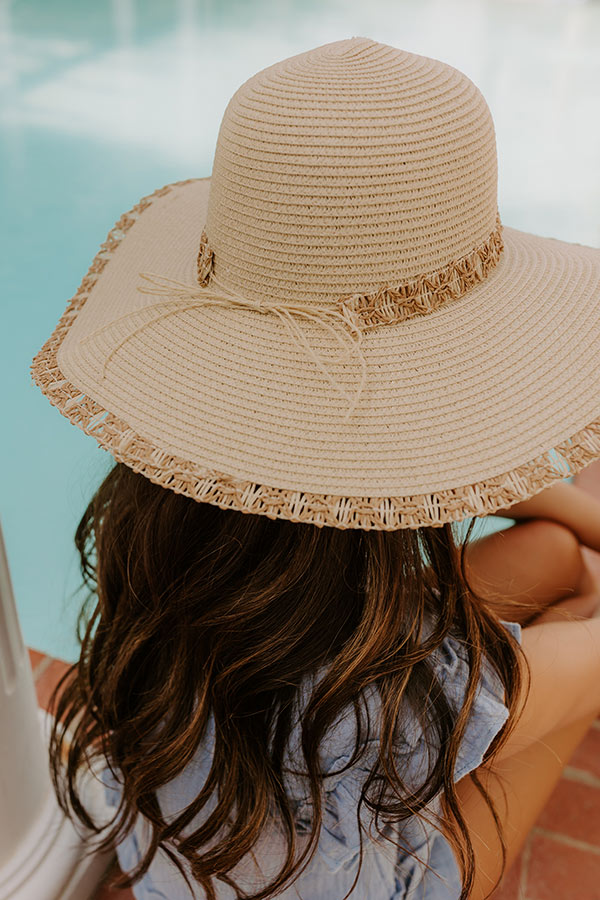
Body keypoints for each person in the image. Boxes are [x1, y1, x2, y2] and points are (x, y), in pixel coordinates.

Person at [30, 36, 600, 900]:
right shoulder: (403, 685)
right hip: (358, 871)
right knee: (576, 627)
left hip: (209, 838)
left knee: (557, 555)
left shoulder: (149, 542)